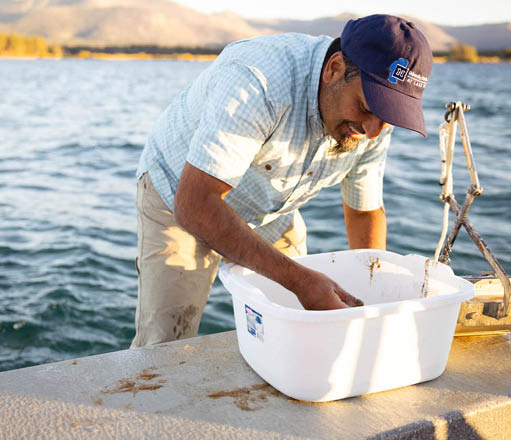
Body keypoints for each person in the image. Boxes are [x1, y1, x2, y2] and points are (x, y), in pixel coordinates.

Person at [131, 14, 433, 347]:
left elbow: (364, 212)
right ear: (333, 69)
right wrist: (300, 281)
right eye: (365, 107)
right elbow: (195, 205)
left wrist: (373, 300)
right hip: (180, 193)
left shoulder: (371, 124)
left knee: (300, 326)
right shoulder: (257, 81)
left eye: (388, 118)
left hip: (269, 207)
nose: (373, 132)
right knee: (165, 343)